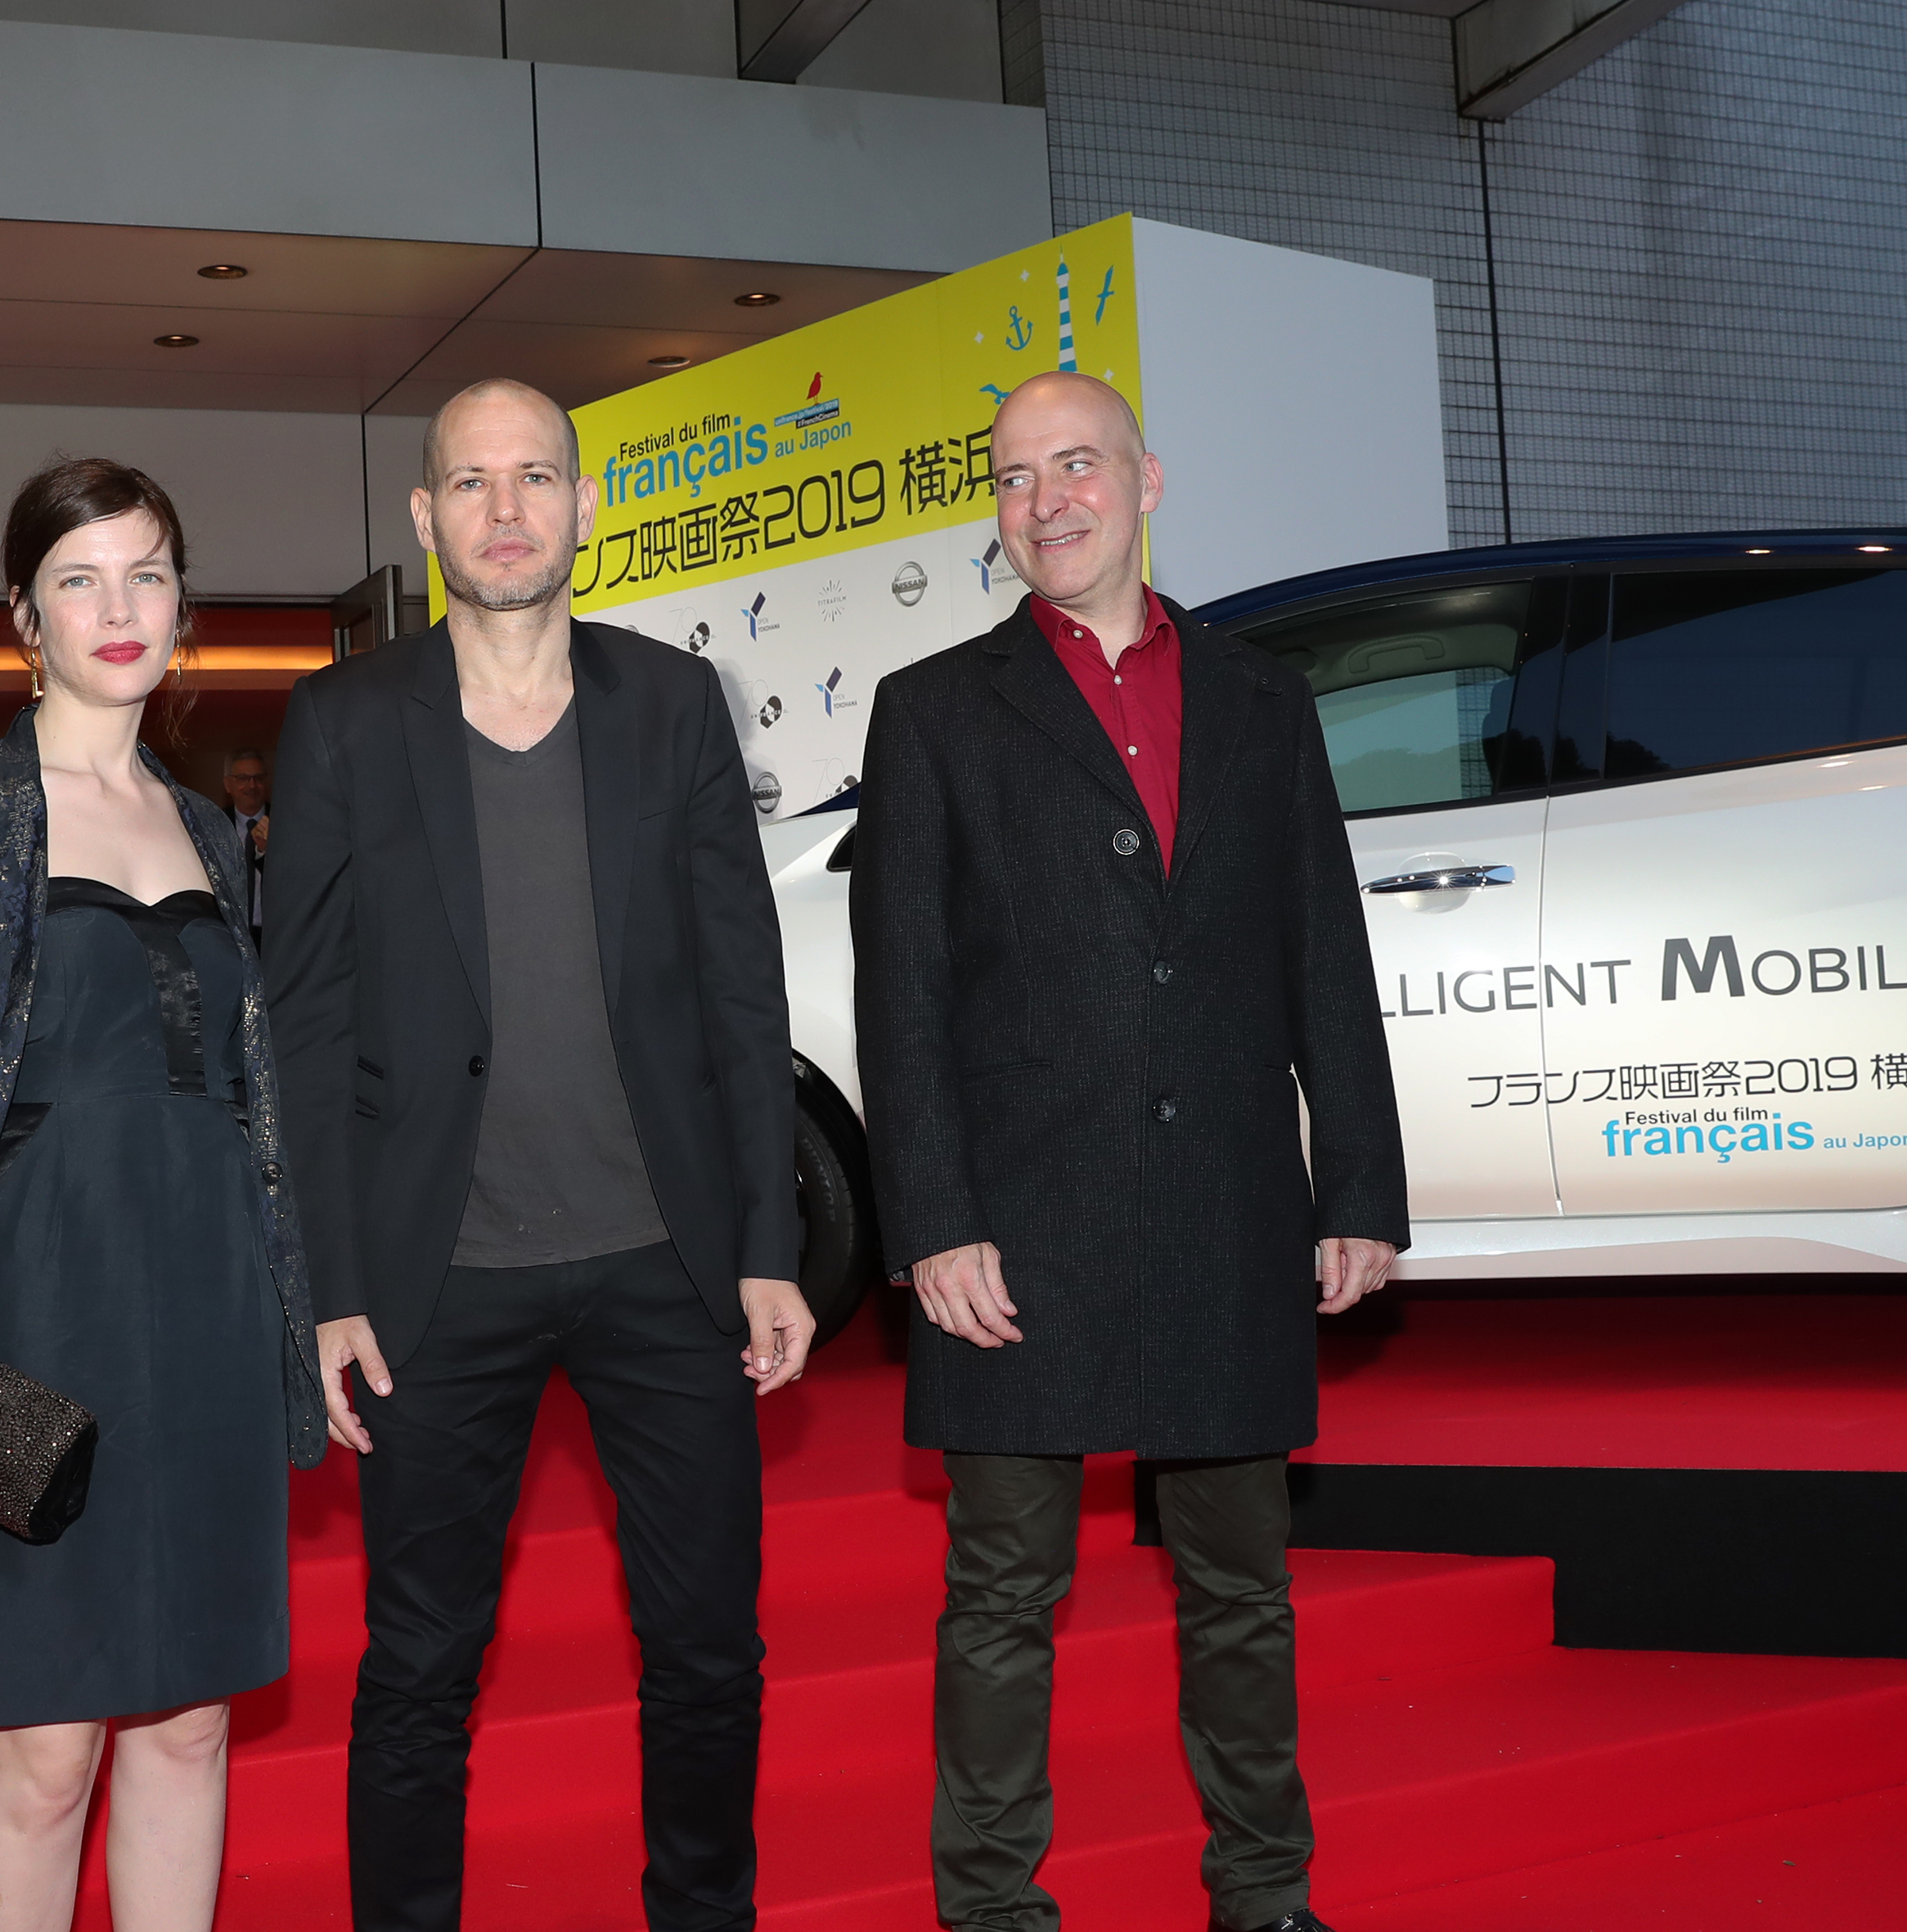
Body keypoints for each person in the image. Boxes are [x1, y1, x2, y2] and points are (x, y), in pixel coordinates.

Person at [848, 371, 1409, 1932]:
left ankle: (1264, 1893)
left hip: (1226, 1206)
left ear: (1144, 478)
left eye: (1075, 463)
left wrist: (1356, 1178)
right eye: (1015, 477)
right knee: (1001, 1598)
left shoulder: (1258, 700)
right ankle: (989, 1908)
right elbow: (899, 997)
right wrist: (930, 1222)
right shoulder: (933, 710)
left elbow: (1322, 952)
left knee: (1240, 1590)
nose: (1047, 500)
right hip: (1018, 1228)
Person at [268, 378, 809, 1932]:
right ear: (425, 517)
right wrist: (326, 1280)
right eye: (470, 482)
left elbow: (740, 987)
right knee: (420, 1663)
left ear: (581, 507)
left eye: (534, 478)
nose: (504, 509)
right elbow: (298, 1019)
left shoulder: (673, 702)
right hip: (435, 1275)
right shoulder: (344, 722)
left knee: (709, 1649)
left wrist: (769, 1242)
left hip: (668, 1265)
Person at [0, 456, 326, 1932]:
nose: (121, 608)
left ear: (185, 605)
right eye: (80, 580)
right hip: (32, 1298)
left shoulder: (207, 820)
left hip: (211, 1307)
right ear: (23, 622)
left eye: (149, 573)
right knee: (42, 1744)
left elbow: (253, 1095)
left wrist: (308, 1309)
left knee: (189, 1718)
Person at [220, 748, 269, 948]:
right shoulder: (215, 826)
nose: (252, 785)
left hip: (272, 936)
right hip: (228, 938)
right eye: (243, 778)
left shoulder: (286, 825)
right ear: (228, 784)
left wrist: (266, 851)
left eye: (258, 778)